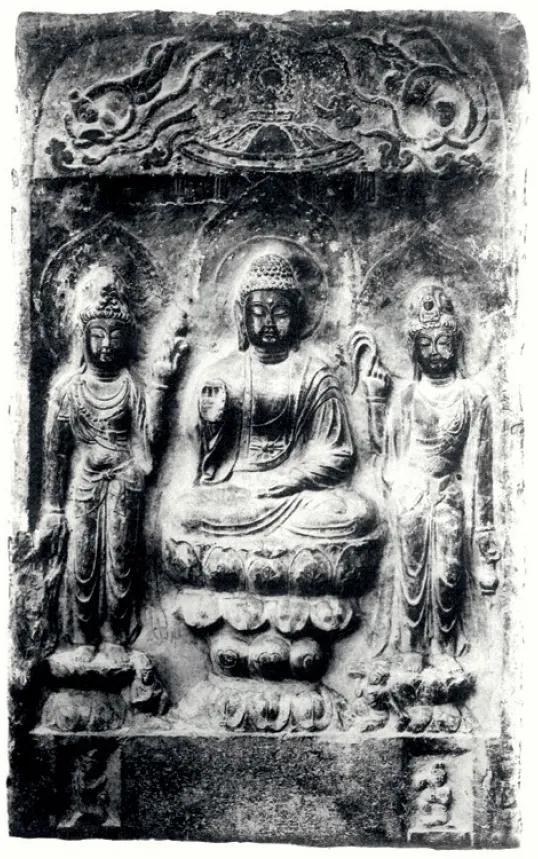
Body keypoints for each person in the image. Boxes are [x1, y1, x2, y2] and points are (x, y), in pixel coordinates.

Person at [35, 265, 184, 661]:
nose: (105, 345)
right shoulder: (68, 390)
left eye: (115, 336)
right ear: (83, 337)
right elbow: (55, 453)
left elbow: (150, 441)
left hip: (124, 482)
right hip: (84, 485)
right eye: (97, 335)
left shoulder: (130, 386)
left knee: (120, 564)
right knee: (81, 562)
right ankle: (82, 637)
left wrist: (161, 385)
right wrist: (52, 508)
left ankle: (117, 637)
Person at [176, 253, 376, 540]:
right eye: (258, 312)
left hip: (296, 495)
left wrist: (293, 480)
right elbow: (198, 456)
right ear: (241, 315)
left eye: (280, 313)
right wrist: (212, 426)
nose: (269, 322)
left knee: (354, 512)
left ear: (297, 315)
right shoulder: (220, 374)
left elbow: (338, 454)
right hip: (235, 493)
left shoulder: (316, 375)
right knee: (185, 511)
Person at [380, 279, 500, 670]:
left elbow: (480, 469)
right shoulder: (406, 396)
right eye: (425, 344)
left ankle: (444, 646)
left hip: (449, 491)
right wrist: (400, 487)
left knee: (448, 572)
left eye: (443, 342)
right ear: (414, 349)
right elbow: (390, 457)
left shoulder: (473, 397)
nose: (435, 351)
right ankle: (412, 645)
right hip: (412, 491)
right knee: (413, 573)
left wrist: (484, 535)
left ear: (457, 344)